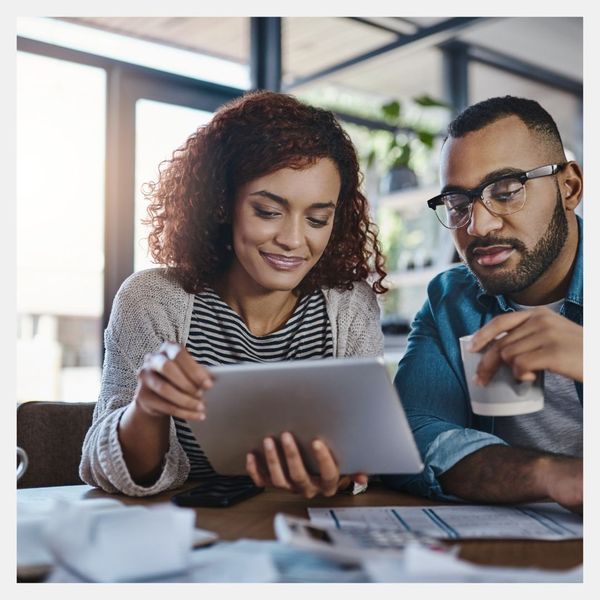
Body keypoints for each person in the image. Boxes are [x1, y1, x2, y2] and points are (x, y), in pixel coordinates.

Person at [79, 90, 387, 498]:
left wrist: (343, 473)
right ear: (222, 203)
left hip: (301, 534)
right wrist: (147, 409)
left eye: (317, 218)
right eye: (268, 212)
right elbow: (108, 471)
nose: (294, 240)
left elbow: (362, 457)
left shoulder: (350, 307)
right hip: (183, 538)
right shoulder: (151, 300)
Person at [382, 96, 583, 513]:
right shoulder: (450, 300)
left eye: (507, 192)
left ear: (570, 187)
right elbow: (412, 432)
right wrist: (553, 475)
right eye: (458, 204)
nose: (479, 225)